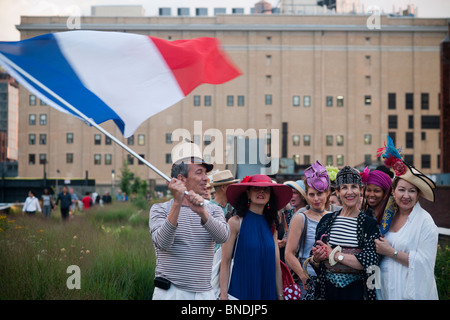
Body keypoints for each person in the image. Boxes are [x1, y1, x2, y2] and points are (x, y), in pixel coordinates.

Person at [150, 142, 229, 300]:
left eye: (205, 173)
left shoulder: (213, 210)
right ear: (181, 179)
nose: (206, 178)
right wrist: (178, 203)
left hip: (204, 293)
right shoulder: (160, 209)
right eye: (200, 172)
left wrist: (202, 213)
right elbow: (163, 242)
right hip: (170, 292)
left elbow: (223, 237)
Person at [375, 135, 438, 300]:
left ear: (418, 195)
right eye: (402, 189)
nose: (406, 195)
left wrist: (391, 252)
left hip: (410, 293)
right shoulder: (386, 218)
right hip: (385, 291)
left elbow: (425, 263)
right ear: (394, 191)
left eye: (412, 191)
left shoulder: (425, 222)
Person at [219, 174, 292, 300]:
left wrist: (280, 296)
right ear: (247, 193)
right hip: (241, 291)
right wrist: (223, 295)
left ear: (270, 196)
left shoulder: (272, 226)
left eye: (266, 189)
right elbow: (225, 262)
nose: (261, 191)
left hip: (267, 291)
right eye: (256, 188)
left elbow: (276, 265)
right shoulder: (235, 222)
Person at [311, 166, 380, 300]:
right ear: (337, 192)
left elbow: (370, 262)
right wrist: (316, 259)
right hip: (328, 290)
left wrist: (334, 255)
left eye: (354, 187)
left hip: (357, 291)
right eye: (344, 187)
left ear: (361, 190)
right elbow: (315, 261)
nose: (350, 192)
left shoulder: (369, 224)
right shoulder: (326, 221)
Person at [285, 161, 331, 298]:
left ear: (327, 193)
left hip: (329, 282)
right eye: (311, 194)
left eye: (320, 193)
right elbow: (288, 253)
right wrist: (304, 277)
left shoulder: (333, 217)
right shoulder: (301, 218)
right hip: (307, 283)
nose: (316, 198)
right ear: (306, 194)